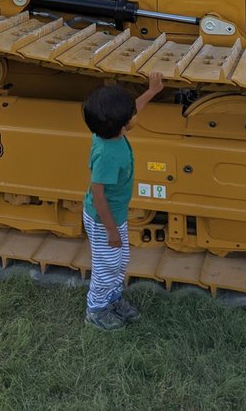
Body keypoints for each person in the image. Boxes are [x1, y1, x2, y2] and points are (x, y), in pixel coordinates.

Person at [81, 73, 165, 330]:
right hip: (103, 219)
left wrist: (151, 91)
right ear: (122, 125)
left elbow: (130, 112)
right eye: (131, 116)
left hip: (114, 216)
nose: (134, 117)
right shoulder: (107, 155)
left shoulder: (106, 132)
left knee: (119, 260)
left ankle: (113, 299)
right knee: (107, 266)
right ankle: (96, 310)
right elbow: (98, 194)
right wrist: (111, 230)